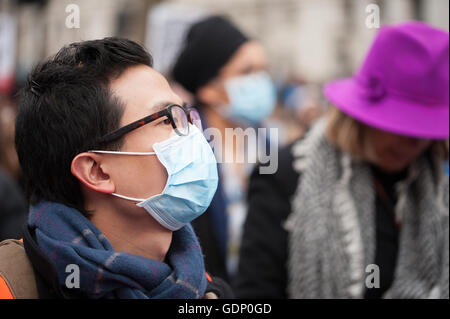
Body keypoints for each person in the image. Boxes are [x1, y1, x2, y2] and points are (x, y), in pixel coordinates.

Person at [0, 38, 232, 299]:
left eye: (186, 114)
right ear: (96, 171)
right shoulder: (12, 287)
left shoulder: (204, 288)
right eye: (167, 118)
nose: (192, 132)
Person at [235, 21, 449, 299]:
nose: (414, 142)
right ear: (360, 117)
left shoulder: (436, 184)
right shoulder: (286, 173)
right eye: (400, 126)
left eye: (426, 129)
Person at [172, 16, 277, 282]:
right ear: (209, 89)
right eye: (247, 71)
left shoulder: (266, 142)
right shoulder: (183, 153)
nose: (261, 81)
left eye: (263, 70)